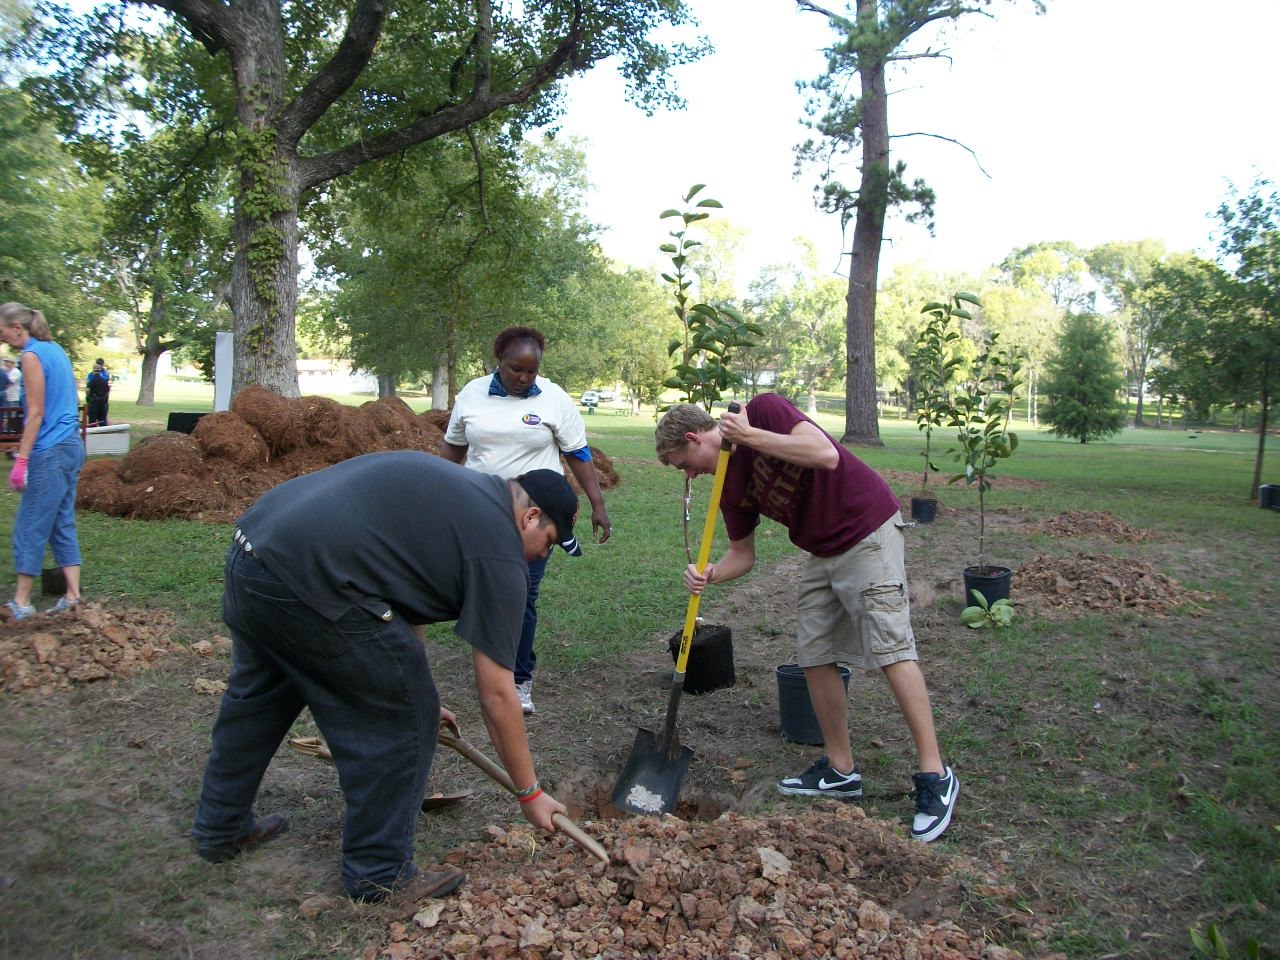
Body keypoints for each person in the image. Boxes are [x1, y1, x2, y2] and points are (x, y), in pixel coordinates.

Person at [191, 452, 576, 902]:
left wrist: (416, 691)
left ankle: (220, 826)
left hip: (255, 550)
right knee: (400, 723)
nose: (543, 555)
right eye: (549, 541)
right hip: (309, 576)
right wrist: (530, 793)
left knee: (259, 698)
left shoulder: (469, 495)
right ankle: (379, 872)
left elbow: (400, 592)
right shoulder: (499, 551)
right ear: (530, 516)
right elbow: (497, 693)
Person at [654, 397, 959, 843]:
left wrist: (749, 437)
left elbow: (824, 454)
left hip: (866, 529)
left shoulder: (763, 412)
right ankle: (841, 770)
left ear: (693, 438)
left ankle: (936, 775)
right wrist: (711, 573)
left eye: (685, 464)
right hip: (823, 549)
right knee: (814, 654)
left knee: (891, 649)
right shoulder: (728, 486)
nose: (691, 475)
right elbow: (743, 555)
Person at [441, 326, 612, 715]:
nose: (523, 377)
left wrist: (598, 503)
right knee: (480, 588)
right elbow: (453, 448)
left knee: (523, 594)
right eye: (515, 369)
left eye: (531, 371)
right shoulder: (472, 394)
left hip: (534, 517)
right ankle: (490, 665)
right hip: (479, 510)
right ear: (498, 361)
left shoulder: (554, 398)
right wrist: (438, 490)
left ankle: (518, 678)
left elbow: (578, 453)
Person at [0, 303, 85, 620]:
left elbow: (35, 413)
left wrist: (22, 459)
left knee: (30, 523)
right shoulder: (56, 350)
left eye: (2, 331)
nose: (2, 338)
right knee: (61, 521)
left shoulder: (31, 355)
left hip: (50, 450)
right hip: (71, 445)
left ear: (17, 328)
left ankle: (21, 602)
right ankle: (73, 596)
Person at [85, 357, 111, 426]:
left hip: (94, 402)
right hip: (103, 402)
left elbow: (88, 390)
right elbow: (107, 390)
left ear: (93, 370)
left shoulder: (92, 379)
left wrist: (88, 398)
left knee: (92, 422)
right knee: (102, 421)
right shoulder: (104, 379)